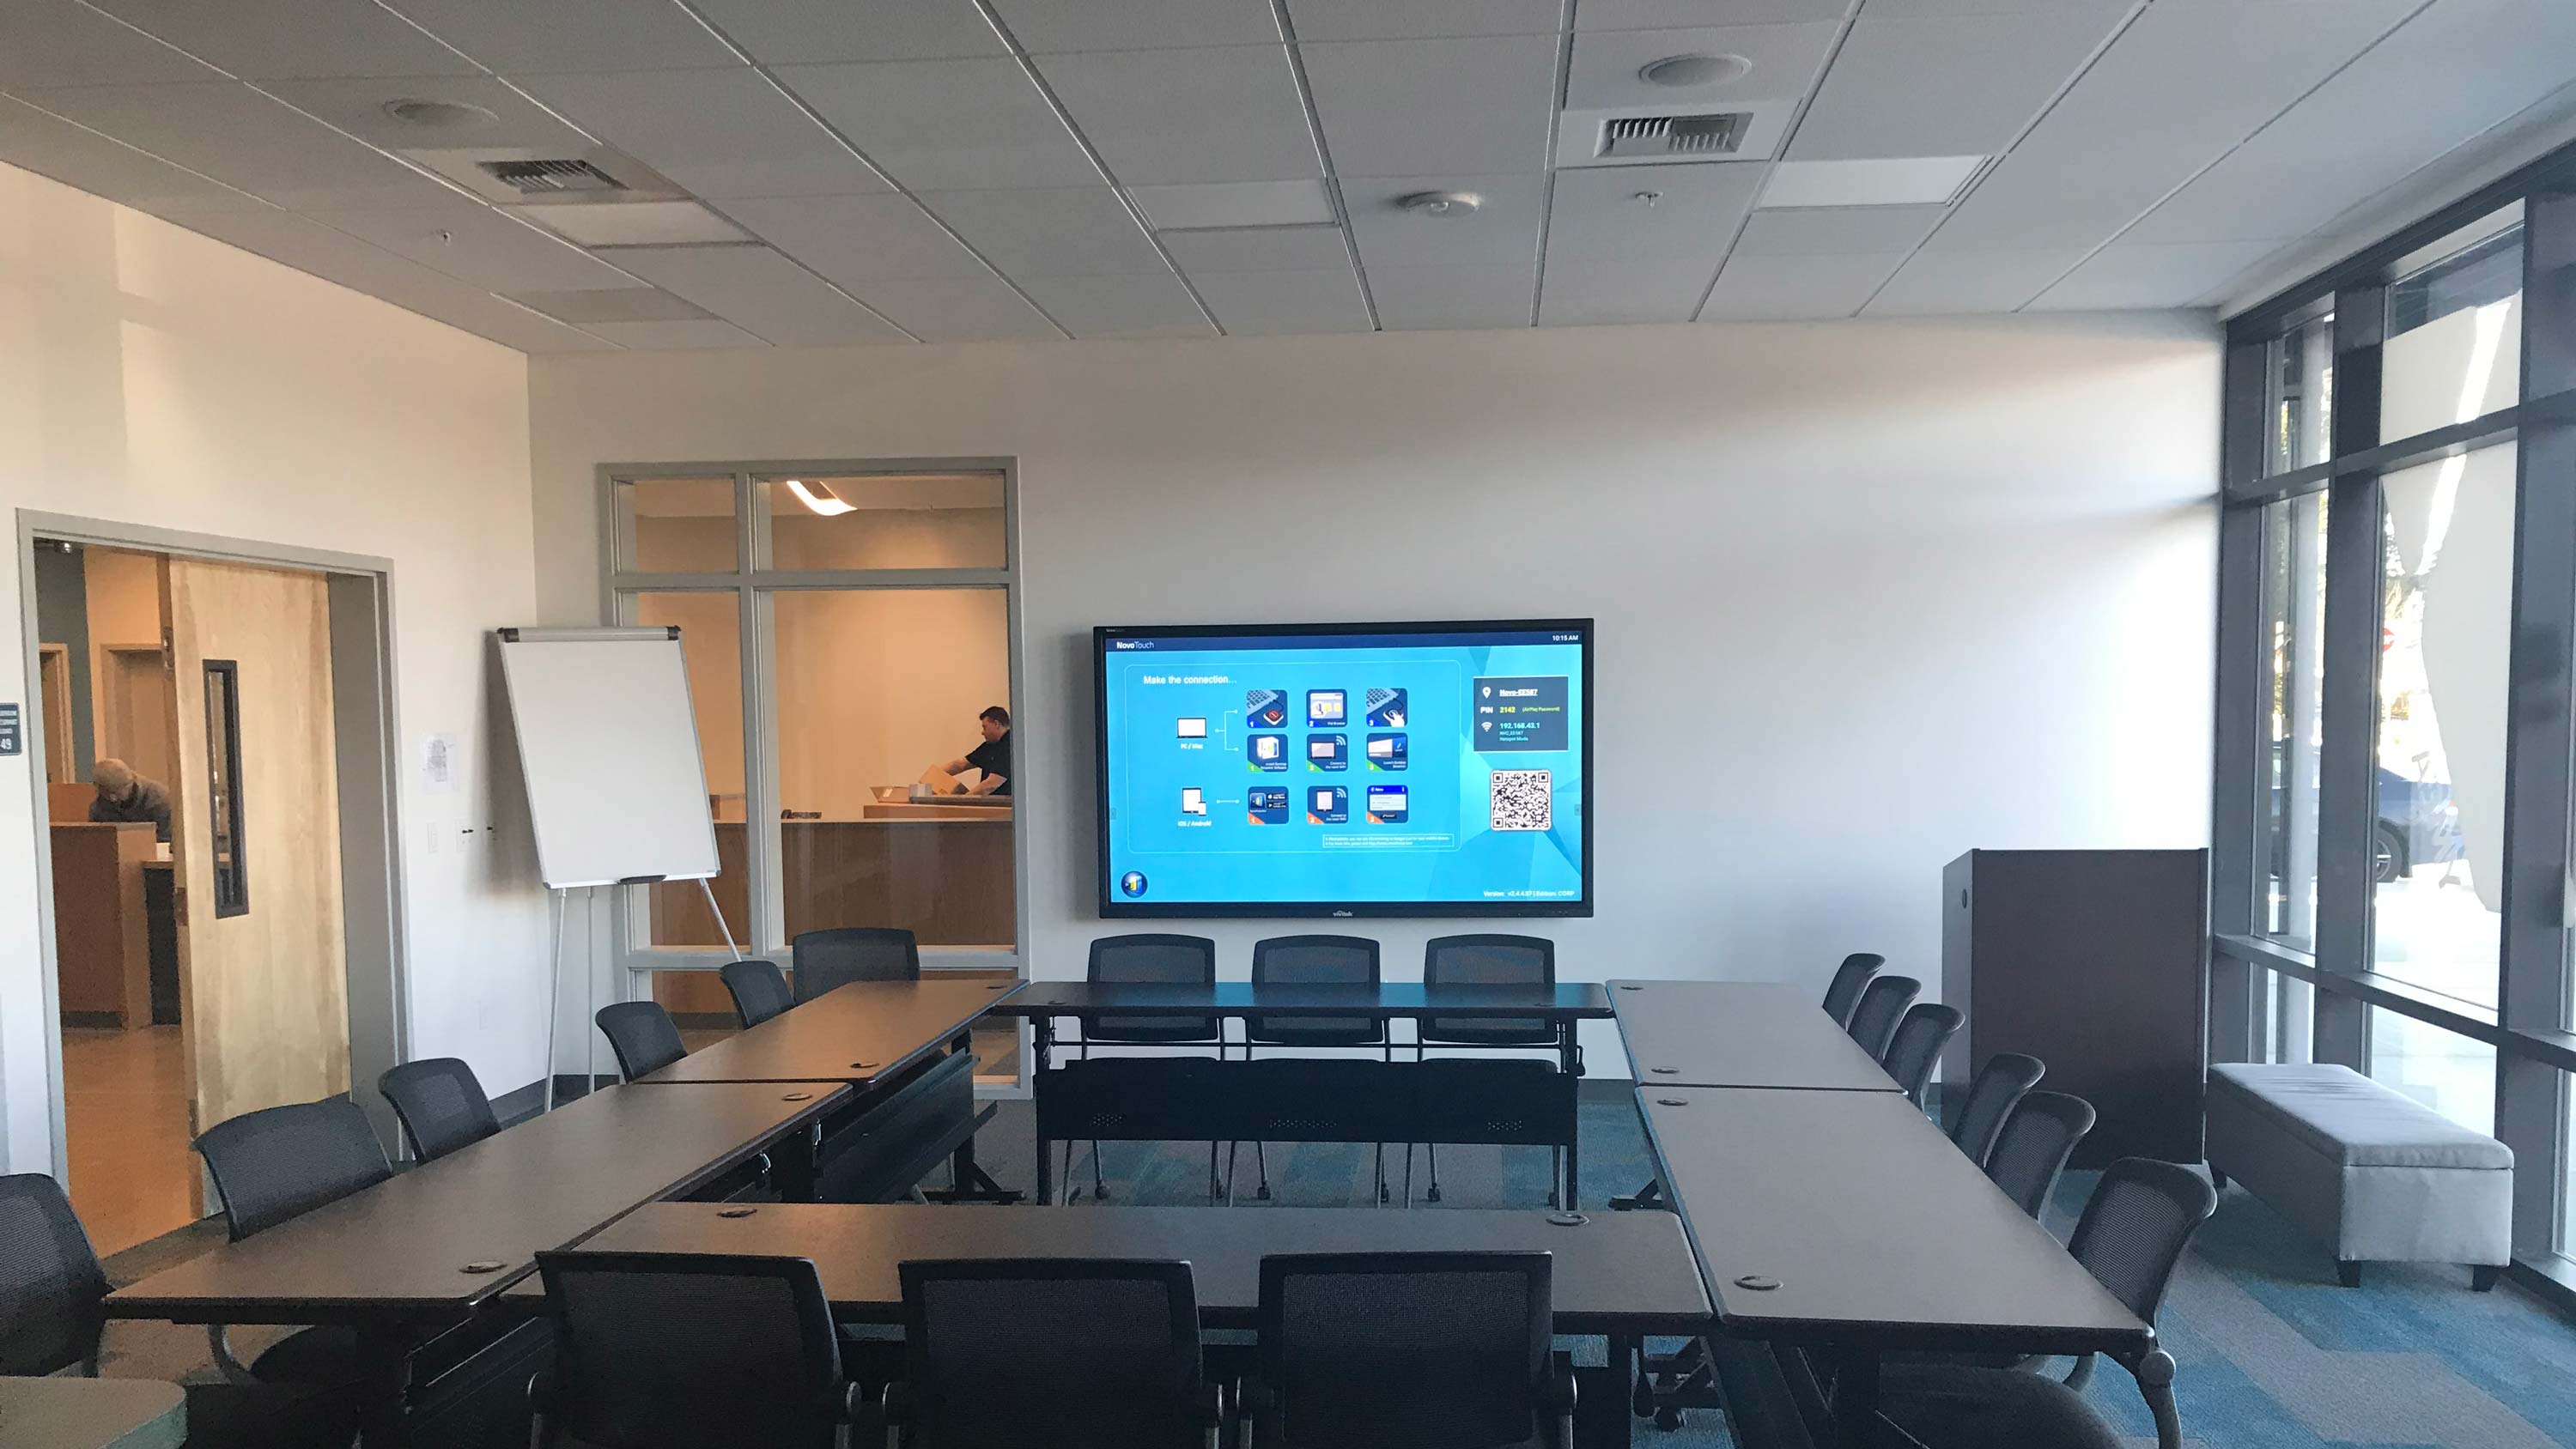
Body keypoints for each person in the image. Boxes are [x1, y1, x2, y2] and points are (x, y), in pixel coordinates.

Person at [934, 706, 1012, 797]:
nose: (982, 732)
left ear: (996, 724)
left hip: (1006, 804)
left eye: (985, 727)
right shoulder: (990, 746)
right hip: (991, 802)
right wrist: (934, 777)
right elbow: (961, 765)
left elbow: (991, 784)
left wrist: (964, 800)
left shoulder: (1010, 745)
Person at [90, 758, 173, 842]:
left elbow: (165, 841)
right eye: (106, 793)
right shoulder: (99, 806)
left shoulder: (159, 801)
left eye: (117, 793)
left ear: (130, 783)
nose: (113, 799)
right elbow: (97, 841)